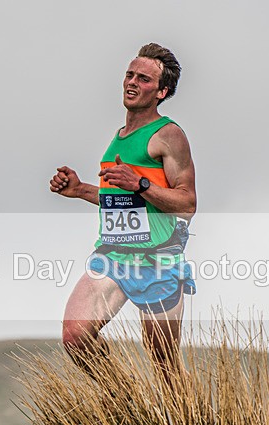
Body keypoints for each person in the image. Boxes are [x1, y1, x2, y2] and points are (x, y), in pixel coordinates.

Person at [49, 43, 196, 387]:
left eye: (143, 79)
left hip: (157, 259)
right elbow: (121, 200)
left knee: (164, 365)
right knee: (75, 335)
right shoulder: (118, 138)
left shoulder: (169, 135)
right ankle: (126, 405)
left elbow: (187, 203)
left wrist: (141, 183)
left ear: (162, 92)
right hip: (113, 255)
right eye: (129, 74)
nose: (131, 82)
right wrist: (81, 189)